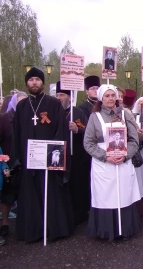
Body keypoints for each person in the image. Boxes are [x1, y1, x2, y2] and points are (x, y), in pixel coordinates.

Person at [11, 67, 74, 242]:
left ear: (43, 83)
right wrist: (17, 158)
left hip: (49, 160)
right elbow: (16, 133)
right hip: (28, 160)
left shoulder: (53, 104)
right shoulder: (22, 106)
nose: (34, 83)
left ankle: (53, 230)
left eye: (37, 80)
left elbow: (60, 130)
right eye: (31, 80)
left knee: (51, 193)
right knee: (30, 194)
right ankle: (32, 231)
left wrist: (54, 156)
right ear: (27, 83)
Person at [83, 84, 141, 241]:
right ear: (101, 98)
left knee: (123, 194)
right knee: (105, 195)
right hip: (104, 164)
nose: (110, 98)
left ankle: (125, 229)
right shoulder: (94, 117)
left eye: (112, 95)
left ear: (116, 97)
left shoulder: (125, 115)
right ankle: (107, 230)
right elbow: (88, 143)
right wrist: (105, 156)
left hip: (123, 161)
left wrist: (125, 155)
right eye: (106, 96)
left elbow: (134, 139)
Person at [55, 81, 90, 226]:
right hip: (57, 155)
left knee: (77, 186)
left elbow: (87, 131)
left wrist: (77, 129)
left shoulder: (77, 113)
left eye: (62, 95)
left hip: (76, 156)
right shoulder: (51, 111)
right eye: (57, 95)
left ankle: (79, 215)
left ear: (69, 97)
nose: (59, 98)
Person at [0, 91, 27, 243]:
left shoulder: (29, 119)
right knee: (7, 195)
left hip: (26, 162)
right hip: (9, 163)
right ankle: (4, 224)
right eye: (20, 101)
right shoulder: (4, 119)